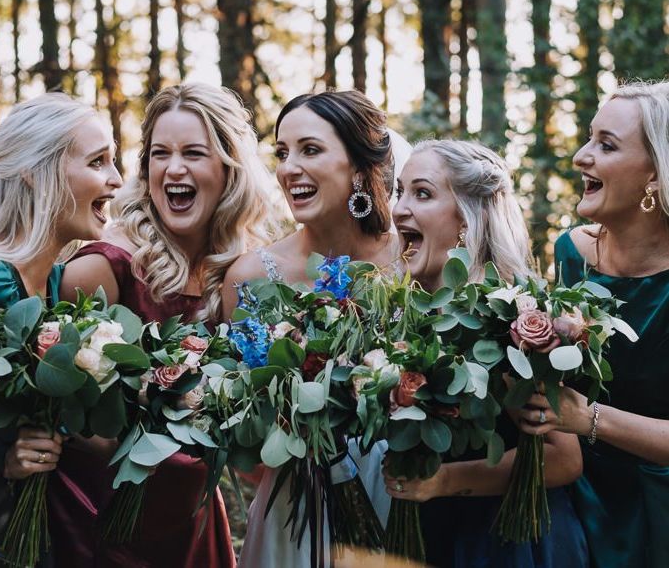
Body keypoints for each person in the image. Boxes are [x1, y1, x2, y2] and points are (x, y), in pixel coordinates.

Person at [49, 82, 276, 568]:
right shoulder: (102, 268)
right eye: (159, 154)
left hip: (192, 521)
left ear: (229, 168)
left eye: (194, 153)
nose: (174, 169)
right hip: (100, 524)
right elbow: (57, 419)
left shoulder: (243, 273)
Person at [222, 89, 403, 567]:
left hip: (401, 496)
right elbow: (241, 431)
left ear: (361, 169)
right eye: (283, 153)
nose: (289, 168)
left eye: (310, 149)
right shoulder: (250, 277)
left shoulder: (412, 260)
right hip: (294, 510)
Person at [0, 93, 122, 567]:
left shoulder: (59, 283)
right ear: (35, 172)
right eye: (98, 161)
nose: (116, 179)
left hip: (30, 533)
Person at [386, 139, 588, 567]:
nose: (399, 208)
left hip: (505, 541)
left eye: (421, 193)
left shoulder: (503, 320)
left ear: (466, 218)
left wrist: (443, 481)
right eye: (399, 191)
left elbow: (562, 458)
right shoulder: (400, 313)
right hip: (429, 530)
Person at [518, 81, 669, 568]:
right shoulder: (571, 253)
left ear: (654, 174)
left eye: (606, 145)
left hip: (657, 509)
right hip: (572, 499)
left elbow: (578, 410)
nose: (582, 156)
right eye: (588, 138)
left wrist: (589, 419)